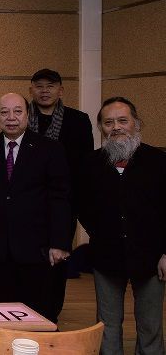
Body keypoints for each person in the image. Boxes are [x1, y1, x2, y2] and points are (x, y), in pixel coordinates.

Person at [0, 93, 72, 322]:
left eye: (17, 111)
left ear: (28, 114)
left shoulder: (50, 149)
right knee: (3, 313)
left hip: (38, 249)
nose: (11, 117)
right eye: (4, 112)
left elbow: (60, 199)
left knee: (40, 315)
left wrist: (60, 242)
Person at [79, 97, 166, 355]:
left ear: (136, 123)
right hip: (106, 256)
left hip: (152, 259)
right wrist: (100, 233)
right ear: (101, 128)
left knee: (150, 325)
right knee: (107, 325)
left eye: (122, 120)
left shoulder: (159, 161)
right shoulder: (90, 164)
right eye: (108, 122)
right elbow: (82, 207)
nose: (116, 127)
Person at [26, 68, 94, 322]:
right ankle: (28, 305)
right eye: (39, 86)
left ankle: (53, 308)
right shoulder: (22, 117)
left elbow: (85, 163)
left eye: (50, 86)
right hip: (28, 202)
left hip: (63, 201)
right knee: (29, 256)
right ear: (31, 90)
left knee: (59, 256)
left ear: (61, 90)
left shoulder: (78, 120)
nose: (44, 91)